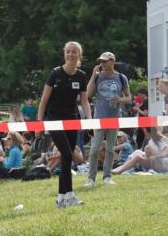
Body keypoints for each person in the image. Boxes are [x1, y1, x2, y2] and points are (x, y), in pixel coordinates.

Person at [37, 41, 92, 208]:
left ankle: (61, 199)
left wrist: (90, 121)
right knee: (67, 155)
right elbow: (43, 101)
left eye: (74, 52)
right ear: (64, 54)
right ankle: (70, 196)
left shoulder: (81, 76)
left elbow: (84, 101)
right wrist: (39, 124)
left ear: (79, 55)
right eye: (68, 51)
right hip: (54, 120)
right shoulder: (55, 73)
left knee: (67, 157)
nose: (71, 54)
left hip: (72, 120)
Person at [84, 51, 130, 188]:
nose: (102, 64)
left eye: (105, 61)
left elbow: (129, 98)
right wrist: (93, 76)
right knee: (94, 149)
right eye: (101, 61)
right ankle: (90, 179)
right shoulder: (98, 77)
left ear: (112, 61)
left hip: (114, 117)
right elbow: (87, 94)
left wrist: (120, 99)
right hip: (99, 118)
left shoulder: (122, 78)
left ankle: (107, 177)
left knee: (110, 149)